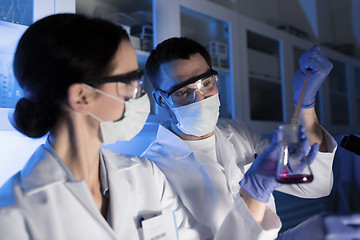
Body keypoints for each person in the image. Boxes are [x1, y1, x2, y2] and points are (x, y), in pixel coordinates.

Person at [0, 13, 309, 240]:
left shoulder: (144, 177)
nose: (141, 95)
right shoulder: (14, 217)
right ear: (82, 96)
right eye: (130, 82)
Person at [142, 37, 337, 236]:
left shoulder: (240, 133)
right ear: (161, 100)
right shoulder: (151, 170)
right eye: (183, 92)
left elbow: (317, 185)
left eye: (206, 83)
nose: (200, 99)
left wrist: (305, 105)